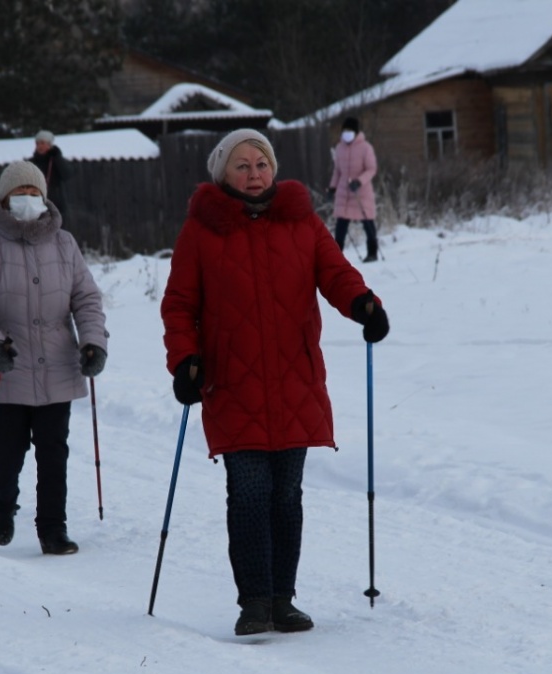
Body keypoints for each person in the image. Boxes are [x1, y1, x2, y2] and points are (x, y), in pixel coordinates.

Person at [160, 128, 390, 636]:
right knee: (248, 493)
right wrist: (184, 361)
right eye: (242, 166)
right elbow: (179, 305)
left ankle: (283, 599)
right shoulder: (203, 230)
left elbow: (335, 273)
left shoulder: (301, 220)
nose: (254, 173)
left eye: (260, 163)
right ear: (223, 174)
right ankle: (254, 602)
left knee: (287, 496)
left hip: (294, 382)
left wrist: (363, 305)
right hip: (231, 384)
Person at [0, 161, 108, 556]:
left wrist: (93, 342)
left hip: (57, 366)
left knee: (53, 452)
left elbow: (86, 298)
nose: (27, 199)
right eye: (18, 194)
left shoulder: (64, 243)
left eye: (33, 193)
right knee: (7, 453)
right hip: (7, 368)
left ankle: (52, 528)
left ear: (44, 197)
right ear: (4, 199)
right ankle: (3, 503)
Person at [328, 116, 380, 263]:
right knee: (341, 224)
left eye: (350, 130)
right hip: (344, 192)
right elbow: (337, 171)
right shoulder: (339, 148)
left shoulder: (366, 148)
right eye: (345, 130)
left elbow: (371, 169)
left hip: (361, 192)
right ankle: (336, 255)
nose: (347, 133)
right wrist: (332, 188)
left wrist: (359, 181)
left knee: (367, 221)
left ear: (356, 132)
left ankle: (372, 252)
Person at [28, 129, 72, 222]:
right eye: (37, 143)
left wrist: (57, 157)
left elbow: (67, 175)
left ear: (49, 145)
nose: (39, 146)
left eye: (42, 143)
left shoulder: (56, 160)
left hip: (57, 205)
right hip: (36, 205)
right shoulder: (31, 163)